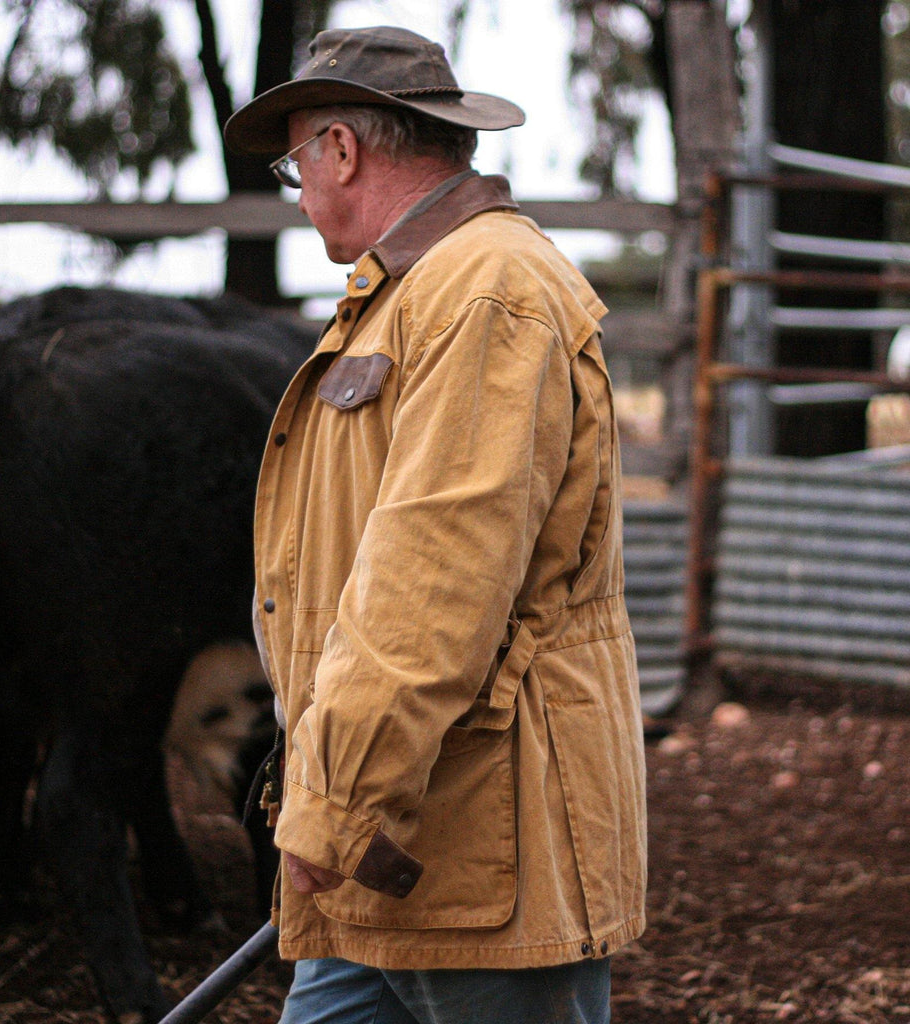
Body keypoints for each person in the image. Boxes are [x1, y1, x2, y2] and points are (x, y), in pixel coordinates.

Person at [224, 25, 647, 1024]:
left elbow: (433, 577)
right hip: (400, 844)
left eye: (294, 162)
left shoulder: (485, 291)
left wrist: (332, 804)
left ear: (341, 150)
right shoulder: (411, 292)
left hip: (487, 846)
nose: (296, 187)